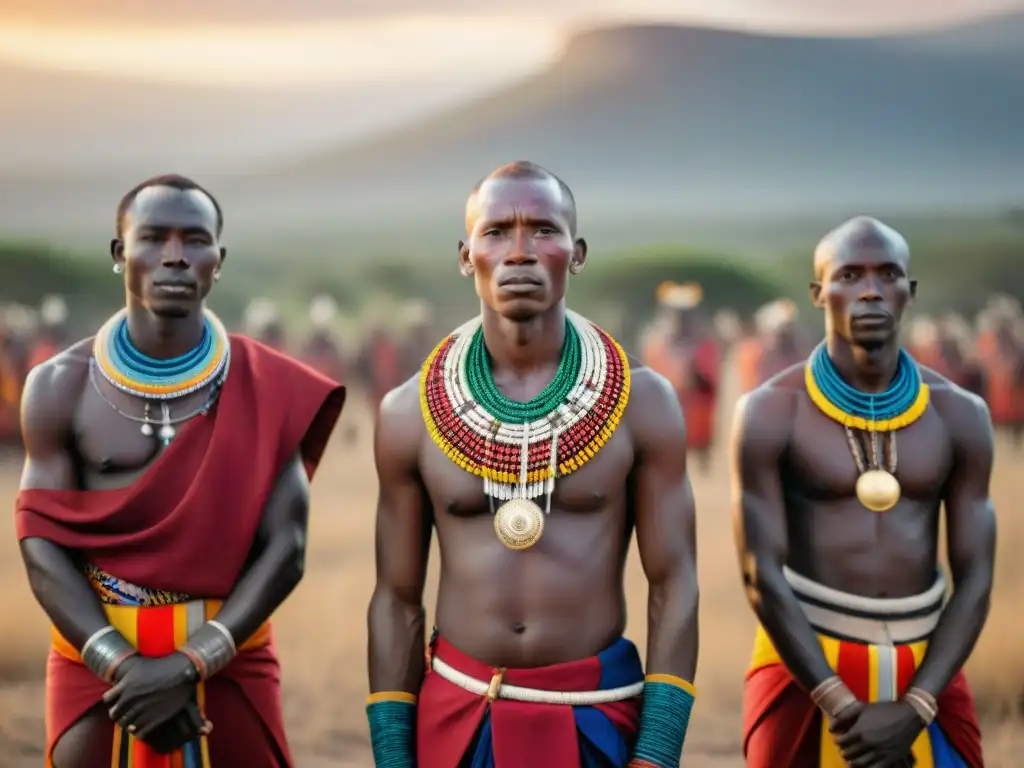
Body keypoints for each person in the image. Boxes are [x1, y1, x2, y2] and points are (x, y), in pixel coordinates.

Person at [366, 161, 699, 768]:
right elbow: (395, 598)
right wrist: (392, 755)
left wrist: (658, 750)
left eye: (543, 230)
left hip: (596, 716)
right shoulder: (408, 413)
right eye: (496, 232)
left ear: (577, 253)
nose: (519, 251)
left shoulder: (643, 403)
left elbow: (674, 582)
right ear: (466, 256)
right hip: (460, 719)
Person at [15, 174, 345, 768]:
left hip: (230, 644)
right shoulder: (59, 385)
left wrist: (193, 662)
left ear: (219, 259)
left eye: (195, 240)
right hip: (94, 652)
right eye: (152, 238)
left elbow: (285, 548)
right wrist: (121, 663)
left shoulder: (267, 385)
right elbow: (40, 542)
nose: (174, 256)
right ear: (120, 254)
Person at [734, 216, 991, 767]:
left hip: (929, 666)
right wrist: (839, 704)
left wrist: (918, 706)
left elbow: (977, 577)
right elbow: (761, 574)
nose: (870, 289)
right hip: (801, 663)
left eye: (887, 274)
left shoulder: (959, 414)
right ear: (818, 291)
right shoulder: (769, 411)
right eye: (849, 274)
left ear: (909, 292)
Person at [640, 281, 722, 474]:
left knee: (700, 444)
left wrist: (694, 372)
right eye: (677, 313)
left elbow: (710, 383)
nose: (681, 318)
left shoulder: (704, 343)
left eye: (686, 313)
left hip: (696, 407)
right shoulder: (656, 343)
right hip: (666, 409)